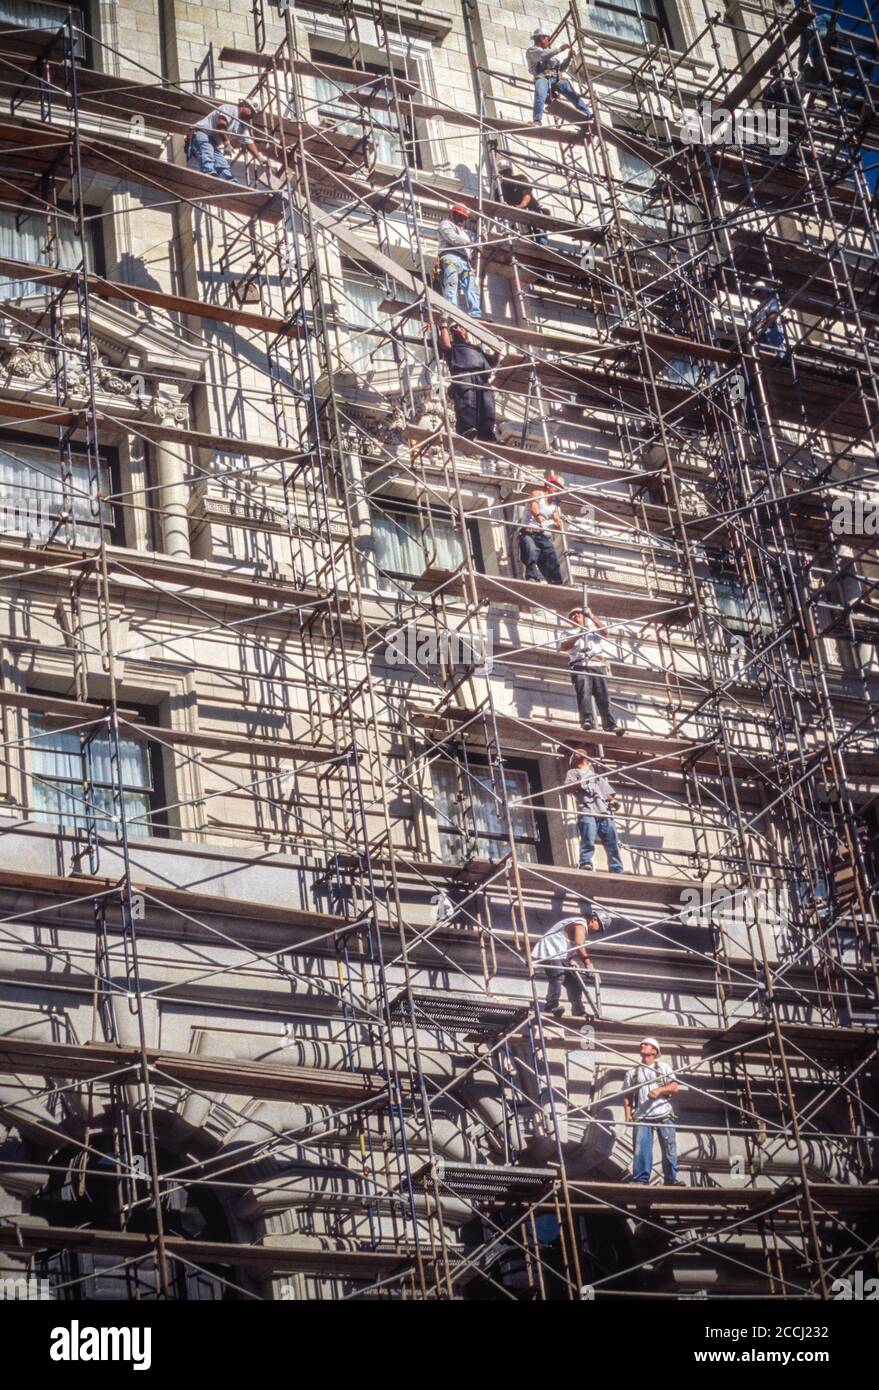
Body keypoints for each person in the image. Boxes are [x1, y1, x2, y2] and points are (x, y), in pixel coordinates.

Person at [623, 1038, 684, 1185]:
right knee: (641, 1150)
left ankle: (670, 1180)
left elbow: (675, 1087)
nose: (642, 1045)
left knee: (669, 1148)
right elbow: (627, 1096)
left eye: (646, 1044)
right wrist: (627, 1114)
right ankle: (641, 1180)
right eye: (641, 1043)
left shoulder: (663, 1067)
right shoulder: (632, 1073)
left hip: (663, 1114)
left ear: (654, 1051)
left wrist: (660, 1089)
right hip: (642, 1116)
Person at [532, 908, 608, 1016]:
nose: (598, 931)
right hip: (550, 951)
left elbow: (567, 945)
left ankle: (578, 1010)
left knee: (574, 982)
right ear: (594, 920)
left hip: (560, 954)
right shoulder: (580, 924)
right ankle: (551, 1006)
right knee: (558, 976)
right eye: (599, 928)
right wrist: (588, 964)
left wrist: (570, 960)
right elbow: (579, 944)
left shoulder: (580, 926)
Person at [560, 606, 621, 734]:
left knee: (603, 696)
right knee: (584, 694)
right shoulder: (567, 633)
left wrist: (591, 616)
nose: (576, 616)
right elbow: (564, 647)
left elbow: (605, 632)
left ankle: (610, 724)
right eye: (573, 615)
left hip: (597, 665)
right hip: (580, 665)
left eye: (579, 614)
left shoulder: (593, 630)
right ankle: (587, 720)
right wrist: (579, 634)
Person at [564, 748, 623, 872]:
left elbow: (607, 793)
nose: (579, 752)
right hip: (587, 810)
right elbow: (567, 789)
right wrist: (580, 782)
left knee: (612, 842)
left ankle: (616, 867)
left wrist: (613, 801)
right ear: (574, 759)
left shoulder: (596, 775)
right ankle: (585, 862)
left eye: (582, 752)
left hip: (604, 812)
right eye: (576, 752)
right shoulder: (573, 772)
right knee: (588, 840)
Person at [438, 323, 498, 440]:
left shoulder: (477, 349)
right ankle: (466, 428)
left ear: (466, 331)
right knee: (467, 402)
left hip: (482, 379)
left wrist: (497, 350)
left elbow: (493, 362)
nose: (457, 329)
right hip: (464, 376)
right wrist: (443, 325)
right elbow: (445, 344)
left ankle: (487, 433)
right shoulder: (454, 347)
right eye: (453, 329)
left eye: (460, 327)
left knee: (487, 406)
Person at [526, 27, 593, 128]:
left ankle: (587, 114)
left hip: (556, 79)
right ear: (541, 38)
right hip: (543, 78)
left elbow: (560, 68)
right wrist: (560, 49)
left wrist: (568, 57)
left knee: (571, 93)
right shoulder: (532, 51)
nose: (548, 42)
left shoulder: (550, 54)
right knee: (540, 94)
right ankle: (537, 121)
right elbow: (542, 56)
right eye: (547, 39)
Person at [188, 99, 268, 182]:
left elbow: (249, 142)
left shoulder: (241, 125)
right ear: (244, 105)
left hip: (213, 143)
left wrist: (259, 158)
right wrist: (226, 143)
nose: (252, 116)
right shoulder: (230, 109)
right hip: (201, 133)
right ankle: (209, 172)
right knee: (207, 151)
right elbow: (221, 125)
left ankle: (230, 181)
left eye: (254, 114)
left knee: (222, 163)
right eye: (252, 111)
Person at [436, 203, 482, 318]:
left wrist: (481, 224)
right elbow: (452, 238)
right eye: (459, 216)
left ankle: (475, 312)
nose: (462, 220)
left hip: (465, 261)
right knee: (452, 282)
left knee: (472, 287)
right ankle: (451, 309)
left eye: (464, 218)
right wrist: (470, 244)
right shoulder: (445, 224)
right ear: (452, 214)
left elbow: (481, 240)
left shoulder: (465, 233)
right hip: (450, 256)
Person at [519, 482, 563, 584]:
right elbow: (534, 509)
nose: (558, 490)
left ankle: (556, 581)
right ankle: (532, 577)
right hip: (529, 531)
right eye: (556, 487)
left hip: (542, 535)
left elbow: (557, 522)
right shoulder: (538, 493)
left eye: (560, 488)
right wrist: (540, 518)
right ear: (548, 486)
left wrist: (557, 523)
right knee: (532, 551)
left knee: (551, 555)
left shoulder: (554, 505)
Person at [498, 164, 549, 247]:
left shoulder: (519, 179)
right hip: (517, 215)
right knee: (522, 239)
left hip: (532, 209)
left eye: (506, 172)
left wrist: (519, 206)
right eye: (502, 173)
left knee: (540, 235)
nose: (504, 175)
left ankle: (543, 249)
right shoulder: (501, 189)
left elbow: (527, 195)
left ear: (510, 172)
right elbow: (496, 206)